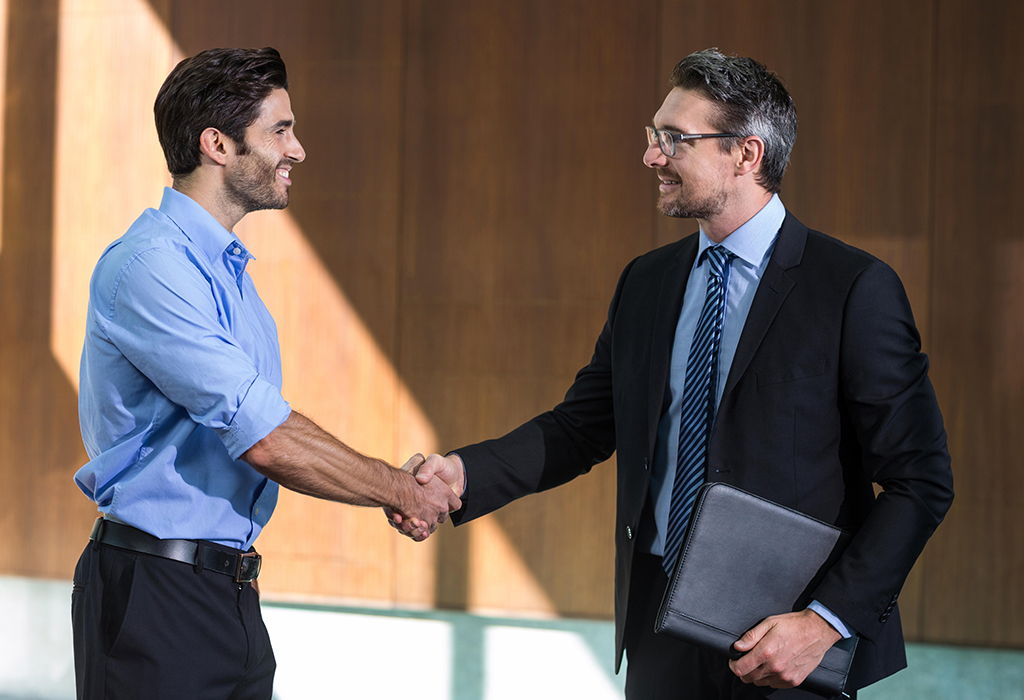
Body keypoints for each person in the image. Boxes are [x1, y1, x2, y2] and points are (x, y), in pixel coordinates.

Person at [393, 49, 954, 698]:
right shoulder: (647, 282)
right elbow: (583, 426)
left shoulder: (853, 288)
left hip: (786, 642)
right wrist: (463, 475)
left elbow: (921, 481)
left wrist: (826, 623)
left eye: (674, 140)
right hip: (658, 621)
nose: (651, 157)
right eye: (653, 136)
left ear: (746, 155)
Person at [72, 47, 459, 700]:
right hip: (155, 595)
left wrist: (396, 485)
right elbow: (265, 436)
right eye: (280, 130)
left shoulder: (230, 279)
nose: (298, 149)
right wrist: (398, 488)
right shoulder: (149, 268)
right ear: (217, 144)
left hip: (226, 593)